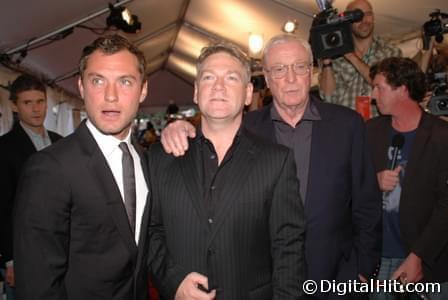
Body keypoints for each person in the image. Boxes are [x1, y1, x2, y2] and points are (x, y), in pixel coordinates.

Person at [160, 34, 381, 299]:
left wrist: (364, 271)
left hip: (336, 279)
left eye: (299, 67)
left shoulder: (348, 125)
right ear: (265, 77)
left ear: (311, 73)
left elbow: (367, 202)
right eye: (279, 69)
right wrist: (181, 128)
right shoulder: (244, 128)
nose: (290, 78)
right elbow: (211, 131)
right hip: (271, 282)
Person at [147, 42, 305, 300]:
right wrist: (173, 281)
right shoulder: (160, 157)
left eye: (231, 78)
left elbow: (288, 249)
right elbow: (150, 230)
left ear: (247, 93)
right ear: (197, 92)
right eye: (209, 77)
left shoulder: (277, 161)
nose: (218, 86)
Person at [13, 35, 150, 300]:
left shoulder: (145, 160)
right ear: (82, 87)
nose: (110, 96)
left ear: (143, 89)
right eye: (98, 81)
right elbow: (37, 286)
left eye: (125, 81)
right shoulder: (49, 168)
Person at [367, 57, 448, 300]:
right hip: (379, 257)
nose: (373, 95)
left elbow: (446, 206)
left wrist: (419, 255)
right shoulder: (370, 131)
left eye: (379, 87)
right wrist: (374, 182)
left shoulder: (443, 137)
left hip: (429, 261)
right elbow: (350, 186)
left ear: (402, 89)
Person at [0, 74, 62, 300]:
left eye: (40, 101)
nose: (36, 109)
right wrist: (10, 260)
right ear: (14, 105)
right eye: (28, 103)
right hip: (24, 253)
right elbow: (2, 208)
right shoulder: (4, 149)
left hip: (61, 249)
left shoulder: (60, 141)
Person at [319, 0, 401, 117]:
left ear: (373, 18)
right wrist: (327, 62)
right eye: (357, 16)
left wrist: (351, 56)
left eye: (368, 14)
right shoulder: (335, 57)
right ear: (347, 22)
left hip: (379, 129)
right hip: (345, 129)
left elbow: (390, 86)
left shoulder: (390, 52)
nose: (364, 20)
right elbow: (327, 97)